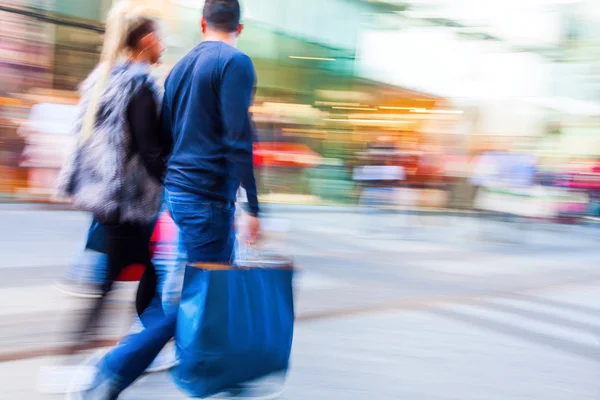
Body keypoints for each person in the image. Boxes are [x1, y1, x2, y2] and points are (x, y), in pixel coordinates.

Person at [74, 1, 260, 398]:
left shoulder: (179, 68)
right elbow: (237, 140)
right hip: (208, 199)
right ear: (239, 28)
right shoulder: (236, 63)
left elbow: (166, 135)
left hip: (177, 196)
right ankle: (113, 368)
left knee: (202, 288)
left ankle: (215, 370)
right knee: (199, 293)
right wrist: (254, 207)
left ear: (202, 23)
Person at [55, 1, 167, 360]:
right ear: (148, 40)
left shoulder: (103, 81)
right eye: (160, 38)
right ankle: (94, 357)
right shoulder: (139, 86)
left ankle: (139, 348)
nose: (163, 46)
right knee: (131, 279)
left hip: (105, 200)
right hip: (127, 202)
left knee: (141, 275)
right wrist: (175, 182)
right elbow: (149, 150)